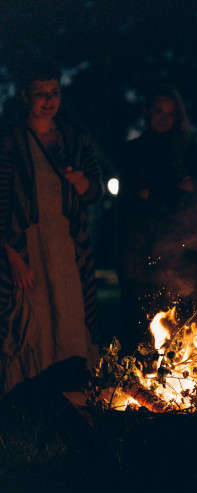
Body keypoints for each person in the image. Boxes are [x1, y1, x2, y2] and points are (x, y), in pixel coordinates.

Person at [0, 60, 104, 397]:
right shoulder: (10, 141)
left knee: (71, 320)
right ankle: (30, 401)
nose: (49, 100)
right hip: (29, 246)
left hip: (68, 248)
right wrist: (12, 255)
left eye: (54, 93)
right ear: (25, 96)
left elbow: (95, 193)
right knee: (34, 323)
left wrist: (83, 182)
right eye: (40, 93)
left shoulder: (73, 138)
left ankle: (73, 398)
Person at [117, 86, 197, 352]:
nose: (164, 119)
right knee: (139, 321)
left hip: (179, 248)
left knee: (180, 319)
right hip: (139, 248)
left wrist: (156, 191)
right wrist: (170, 189)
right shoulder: (133, 152)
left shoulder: (188, 153)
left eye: (171, 114)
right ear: (147, 112)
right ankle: (136, 380)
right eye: (158, 112)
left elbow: (195, 195)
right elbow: (133, 197)